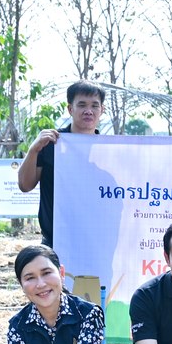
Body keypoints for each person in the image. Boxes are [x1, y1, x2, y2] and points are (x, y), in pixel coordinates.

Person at [18, 80, 106, 247]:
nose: (88, 111)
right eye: (82, 105)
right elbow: (25, 185)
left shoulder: (108, 150)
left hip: (96, 244)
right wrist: (33, 150)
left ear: (102, 110)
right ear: (70, 109)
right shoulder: (51, 143)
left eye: (95, 105)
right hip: (54, 242)